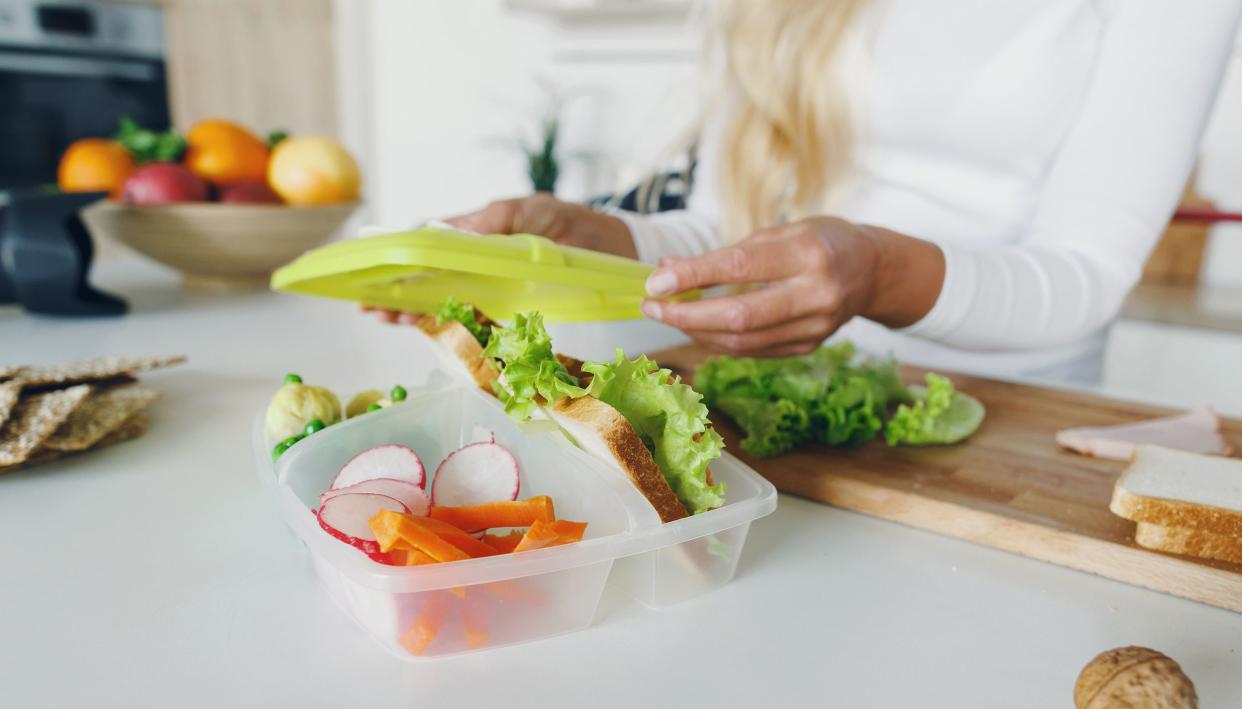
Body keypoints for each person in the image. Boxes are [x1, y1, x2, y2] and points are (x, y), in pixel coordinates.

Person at [401, 0, 1242, 382]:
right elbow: (733, 227)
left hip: (1010, 420)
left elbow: (1086, 275)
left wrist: (877, 271)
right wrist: (603, 242)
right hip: (793, 410)